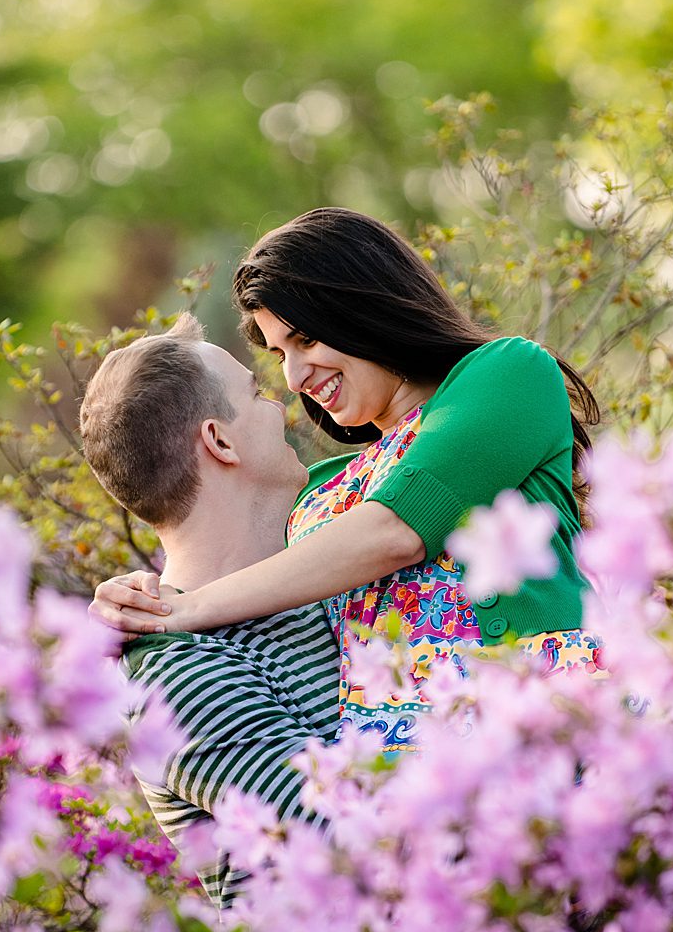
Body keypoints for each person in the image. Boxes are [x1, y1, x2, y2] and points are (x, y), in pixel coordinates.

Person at [93, 208, 604, 747]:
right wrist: (137, 599)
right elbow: (228, 560)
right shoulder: (321, 492)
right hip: (412, 780)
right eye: (278, 353)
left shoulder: (510, 375)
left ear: (363, 307)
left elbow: (396, 533)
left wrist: (185, 608)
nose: (292, 377)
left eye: (306, 340)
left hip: (552, 734)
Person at [78, 318, 340, 900]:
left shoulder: (336, 559)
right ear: (219, 441)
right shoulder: (173, 676)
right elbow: (344, 842)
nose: (283, 401)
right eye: (256, 394)